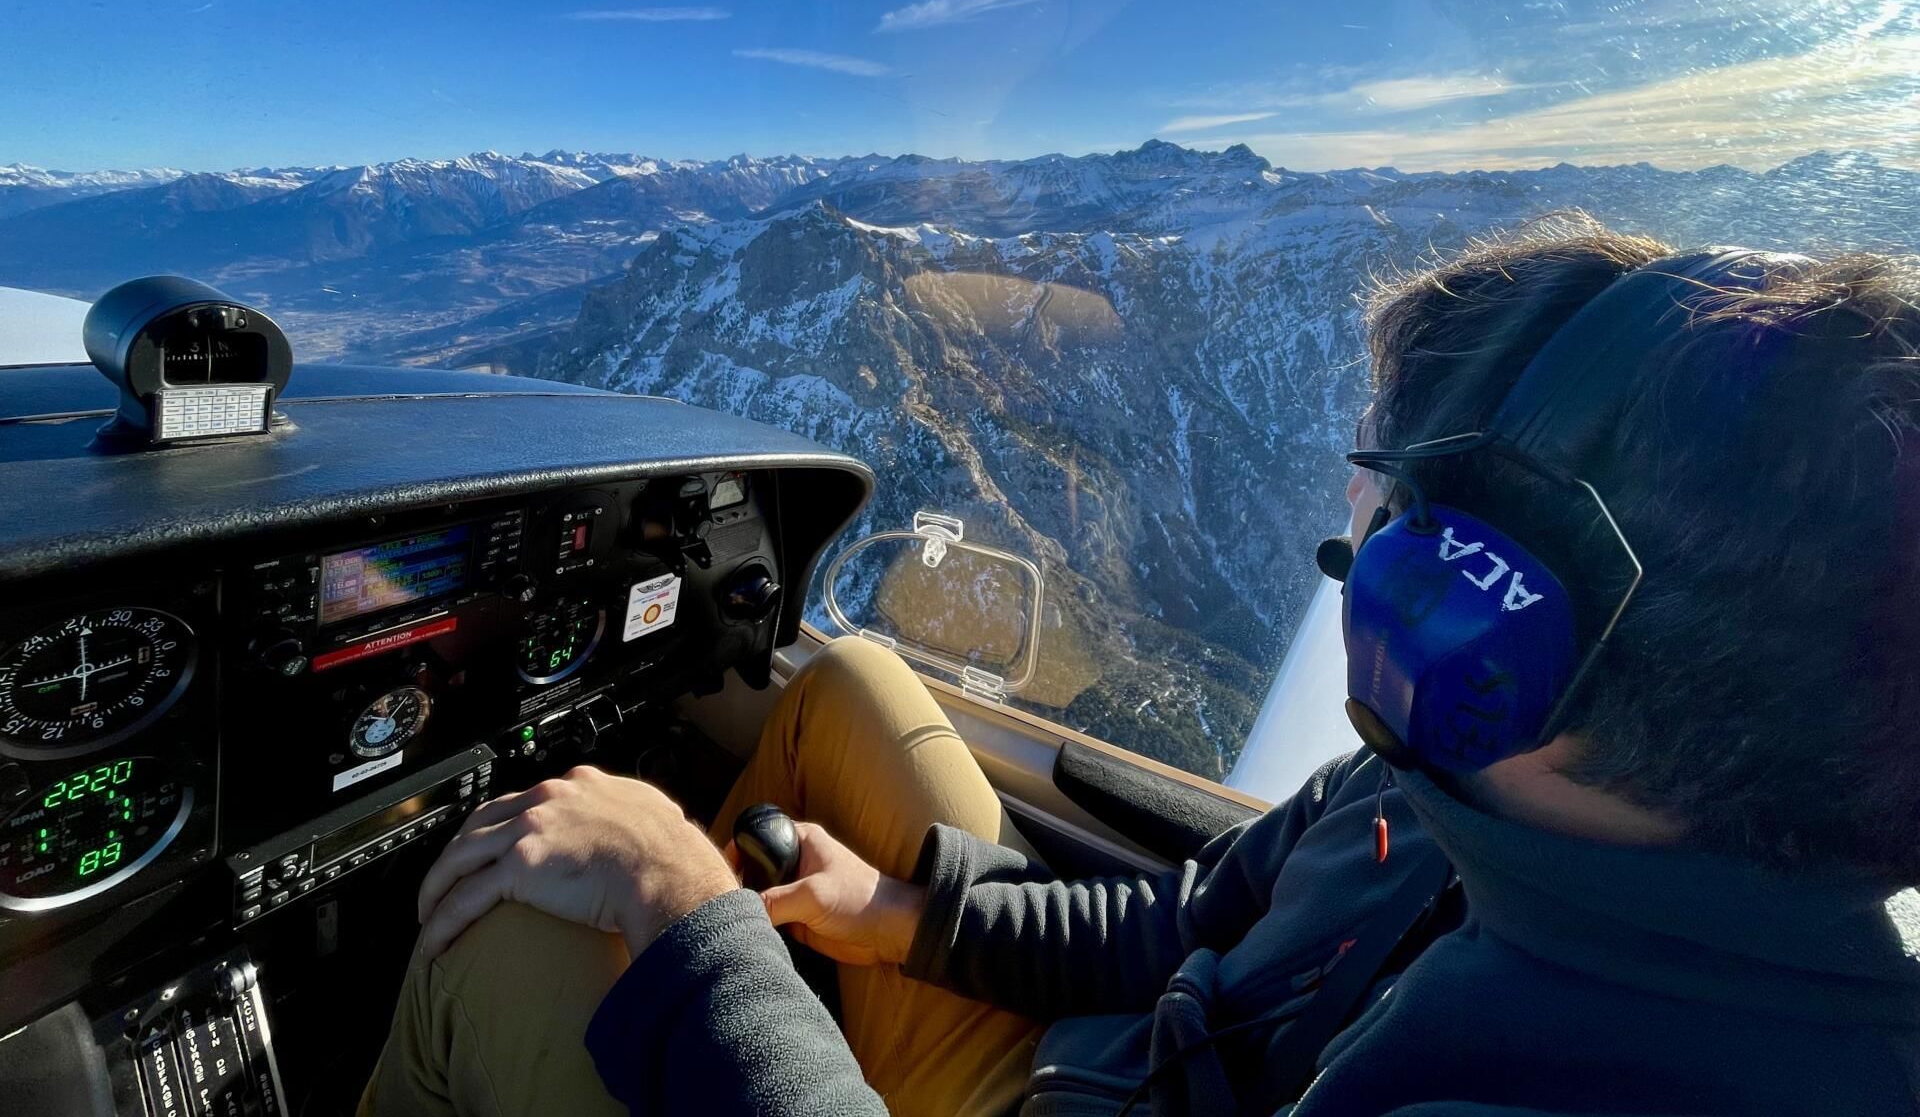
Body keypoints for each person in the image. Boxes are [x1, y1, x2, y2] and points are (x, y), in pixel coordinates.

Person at [360, 217, 1920, 1117]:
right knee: (845, 689)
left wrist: (692, 933)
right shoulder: (1437, 787)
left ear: (1481, 612)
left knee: (499, 952)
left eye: (1392, 496)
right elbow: (1191, 914)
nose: (1351, 521)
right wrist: (894, 919)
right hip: (1118, 1074)